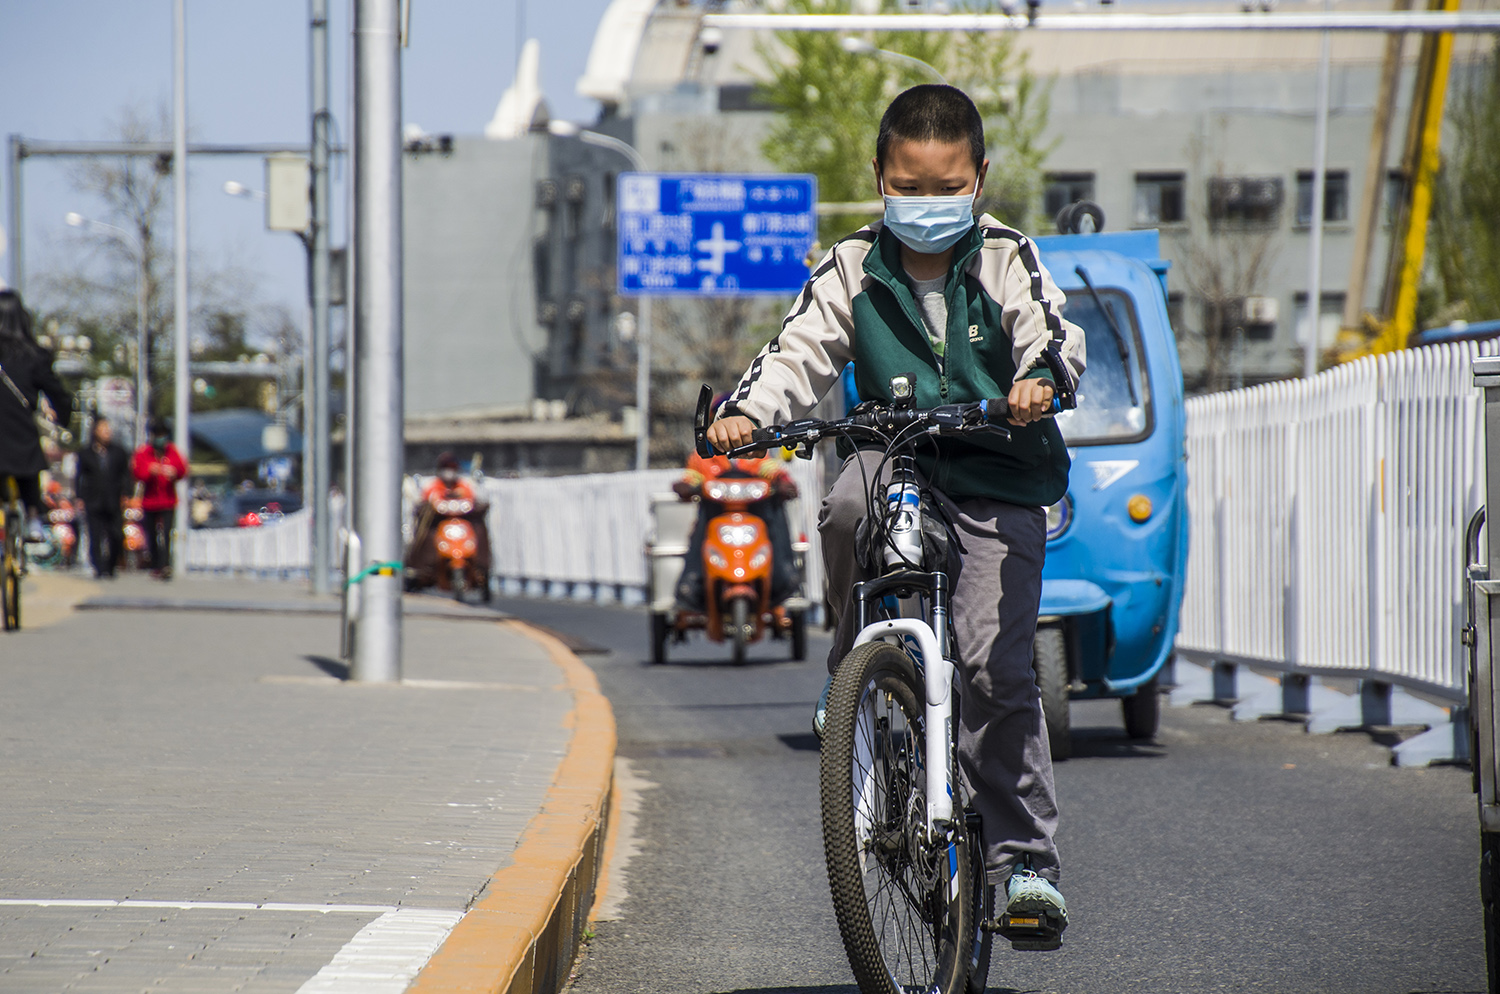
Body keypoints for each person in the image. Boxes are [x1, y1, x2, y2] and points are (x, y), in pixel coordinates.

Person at [704, 85, 1086, 949]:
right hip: (897, 453)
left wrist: (1038, 382)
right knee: (843, 506)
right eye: (909, 187)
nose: (927, 203)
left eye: (946, 186)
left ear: (978, 178)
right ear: (879, 177)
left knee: (995, 665)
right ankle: (850, 670)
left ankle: (1026, 862)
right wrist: (747, 415)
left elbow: (1053, 337)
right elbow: (796, 353)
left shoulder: (1006, 256)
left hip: (1000, 470)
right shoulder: (849, 264)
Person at [671, 447, 799, 611]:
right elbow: (692, 476)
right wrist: (685, 486)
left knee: (775, 510)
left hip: (753, 514)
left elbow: (770, 469)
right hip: (717, 515)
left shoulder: (757, 448)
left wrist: (783, 481)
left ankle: (783, 575)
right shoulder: (703, 454)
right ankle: (693, 580)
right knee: (701, 526)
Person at [0, 289, 74, 545]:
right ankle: (33, 518)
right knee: (28, 469)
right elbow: (58, 394)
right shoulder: (34, 355)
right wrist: (64, 420)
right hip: (20, 433)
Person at [405, 452, 492, 590]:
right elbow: (422, 503)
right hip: (440, 524)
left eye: (452, 468)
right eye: (446, 468)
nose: (449, 472)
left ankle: (482, 566)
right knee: (426, 534)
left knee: (480, 531)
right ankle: (422, 568)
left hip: (462, 524)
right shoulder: (432, 486)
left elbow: (477, 501)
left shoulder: (465, 485)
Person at [75, 416, 131, 578]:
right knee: (95, 535)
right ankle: (98, 567)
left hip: (113, 499)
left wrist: (127, 493)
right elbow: (79, 476)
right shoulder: (86, 453)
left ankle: (111, 564)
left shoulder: (119, 452)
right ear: (96, 431)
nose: (107, 432)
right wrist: (79, 497)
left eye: (109, 429)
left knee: (116, 534)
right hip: (93, 499)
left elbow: (126, 475)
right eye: (104, 429)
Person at [132, 419, 188, 579]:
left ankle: (165, 564)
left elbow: (182, 469)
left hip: (168, 500)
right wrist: (151, 471)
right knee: (151, 533)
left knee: (166, 534)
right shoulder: (144, 452)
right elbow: (137, 473)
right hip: (150, 501)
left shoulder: (172, 451)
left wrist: (174, 472)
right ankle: (155, 563)